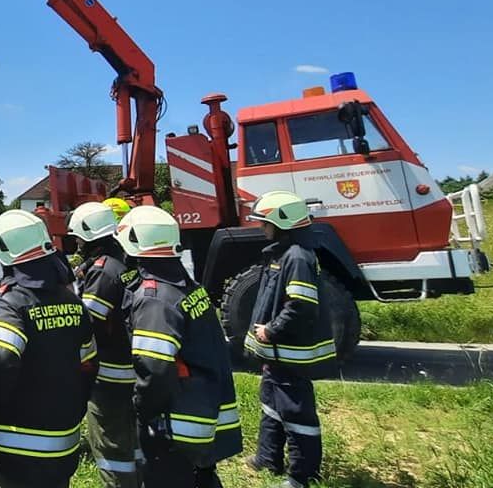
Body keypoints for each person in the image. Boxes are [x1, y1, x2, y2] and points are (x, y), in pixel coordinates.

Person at [120, 205, 241, 488]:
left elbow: (154, 370)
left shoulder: (154, 299)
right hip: (203, 412)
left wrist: (141, 409)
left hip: (174, 423)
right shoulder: (189, 287)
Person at [0, 209, 97, 488]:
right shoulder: (72, 301)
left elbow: (0, 358)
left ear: (4, 252)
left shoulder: (9, 303)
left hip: (16, 447)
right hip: (64, 442)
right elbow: (89, 363)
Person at [243, 191, 337, 488]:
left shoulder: (296, 257)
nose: (261, 227)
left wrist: (271, 330)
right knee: (271, 404)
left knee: (296, 412)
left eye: (265, 222)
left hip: (289, 353)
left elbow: (300, 306)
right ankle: (268, 457)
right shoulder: (284, 253)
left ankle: (302, 474)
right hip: (277, 354)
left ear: (281, 223)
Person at [70, 202, 140, 487]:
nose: (76, 243)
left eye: (78, 238)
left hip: (110, 374)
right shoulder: (122, 261)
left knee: (110, 444)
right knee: (132, 439)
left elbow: (87, 323)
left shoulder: (102, 271)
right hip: (129, 367)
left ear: (88, 236)